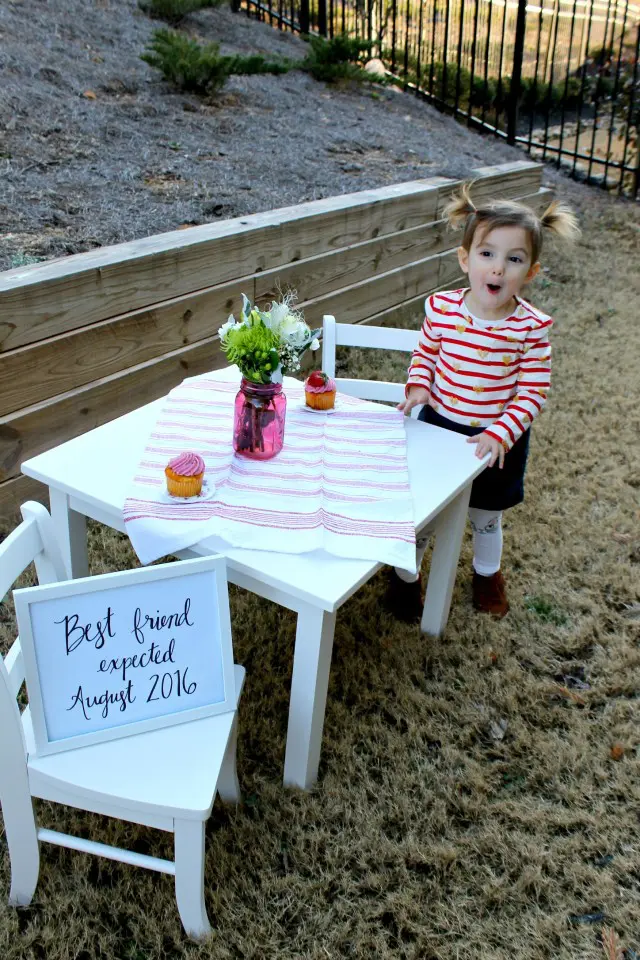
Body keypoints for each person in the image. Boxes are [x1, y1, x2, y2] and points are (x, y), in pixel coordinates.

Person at [390, 183, 580, 619]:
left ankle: (486, 573)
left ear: (530, 271)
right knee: (425, 513)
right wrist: (419, 385)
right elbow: (426, 354)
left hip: (493, 441)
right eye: (487, 254)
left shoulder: (530, 329)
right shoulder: (441, 310)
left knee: (485, 515)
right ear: (465, 259)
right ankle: (405, 579)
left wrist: (501, 432)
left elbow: (532, 391)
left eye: (513, 259)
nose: (498, 269)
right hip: (440, 429)